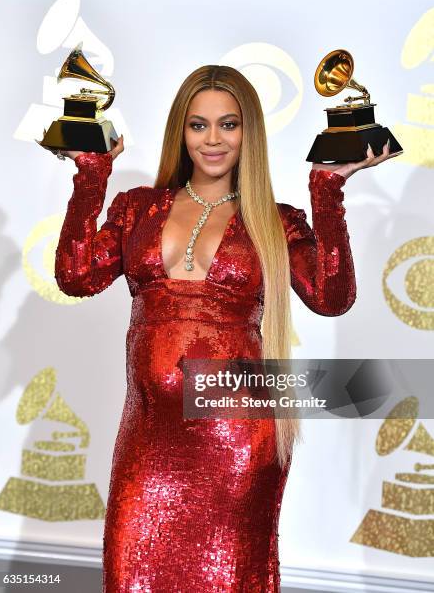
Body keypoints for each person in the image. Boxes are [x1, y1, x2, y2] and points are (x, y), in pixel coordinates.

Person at [40, 65, 400, 592]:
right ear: (180, 133)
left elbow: (332, 297)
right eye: (198, 125)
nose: (213, 139)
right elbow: (75, 277)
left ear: (248, 132)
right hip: (148, 435)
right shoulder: (137, 207)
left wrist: (327, 192)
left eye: (228, 125)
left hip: (237, 437)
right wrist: (90, 176)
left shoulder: (275, 221)